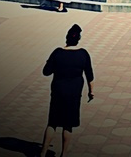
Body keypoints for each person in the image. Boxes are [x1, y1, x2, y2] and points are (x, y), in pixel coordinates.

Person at [39, 22, 94, 157]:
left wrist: (50, 62)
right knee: (68, 125)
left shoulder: (57, 53)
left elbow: (46, 72)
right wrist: (91, 91)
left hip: (58, 91)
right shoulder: (83, 54)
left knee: (52, 123)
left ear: (67, 38)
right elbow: (89, 75)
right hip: (74, 94)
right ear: (78, 39)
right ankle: (64, 154)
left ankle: (43, 152)